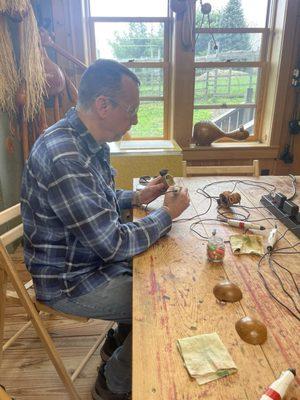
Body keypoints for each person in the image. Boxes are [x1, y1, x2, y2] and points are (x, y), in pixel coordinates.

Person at [21, 59, 190, 400]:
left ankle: (116, 342)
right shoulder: (65, 156)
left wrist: (138, 196)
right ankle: (112, 382)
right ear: (102, 105)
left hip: (86, 261)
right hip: (69, 282)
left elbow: (97, 199)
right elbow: (112, 244)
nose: (136, 119)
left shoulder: (86, 141)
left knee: (153, 271)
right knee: (161, 303)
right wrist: (166, 215)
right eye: (132, 110)